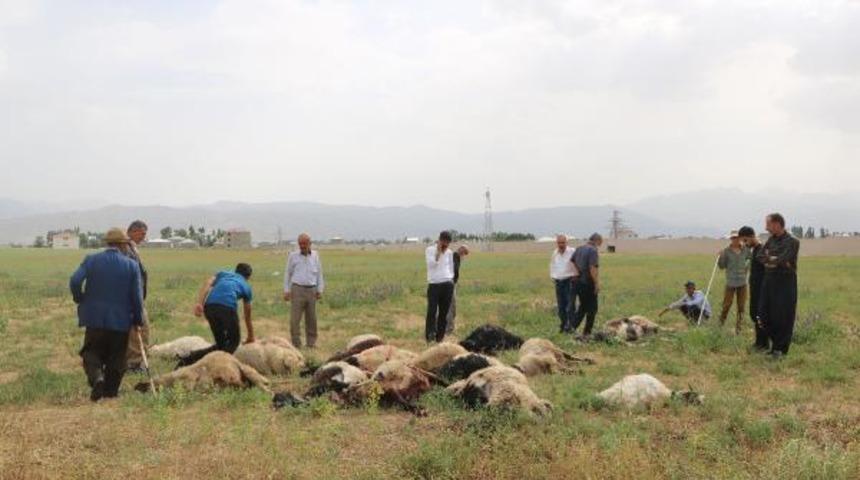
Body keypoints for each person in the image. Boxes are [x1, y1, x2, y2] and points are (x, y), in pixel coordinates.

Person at [69, 228, 144, 401]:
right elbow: (137, 297)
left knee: (91, 352)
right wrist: (138, 320)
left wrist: (79, 298)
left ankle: (97, 378)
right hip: (121, 320)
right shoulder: (131, 265)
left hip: (94, 318)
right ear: (123, 245)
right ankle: (111, 392)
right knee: (117, 357)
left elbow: (74, 280)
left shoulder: (91, 260)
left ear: (108, 243)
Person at [180, 263, 255, 366]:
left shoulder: (223, 274)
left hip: (209, 307)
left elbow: (207, 283)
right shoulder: (246, 286)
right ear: (248, 277)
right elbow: (247, 316)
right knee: (233, 342)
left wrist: (200, 303)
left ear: (235, 271)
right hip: (227, 308)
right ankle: (220, 366)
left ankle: (189, 358)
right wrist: (251, 336)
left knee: (221, 344)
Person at [757, 213, 800, 359]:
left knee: (783, 315)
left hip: (785, 282)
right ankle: (775, 345)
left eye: (768, 224)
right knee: (764, 313)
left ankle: (780, 349)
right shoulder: (771, 240)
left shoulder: (793, 241)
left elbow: (784, 259)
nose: (766, 227)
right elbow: (760, 256)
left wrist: (773, 259)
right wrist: (773, 259)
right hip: (769, 280)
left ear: (777, 224)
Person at [283, 233, 325, 348]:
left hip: (312, 289)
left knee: (311, 318)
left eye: (304, 243)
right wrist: (286, 290)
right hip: (297, 289)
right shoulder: (293, 256)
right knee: (294, 320)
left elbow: (319, 273)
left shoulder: (316, 255)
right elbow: (288, 273)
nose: (302, 246)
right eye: (300, 243)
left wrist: (320, 289)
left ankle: (311, 343)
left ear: (310, 243)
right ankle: (296, 343)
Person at [124, 220, 150, 372]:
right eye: (142, 233)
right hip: (132, 297)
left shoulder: (131, 247)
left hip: (136, 296)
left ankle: (134, 361)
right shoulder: (126, 249)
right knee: (140, 329)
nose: (143, 237)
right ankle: (134, 363)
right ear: (132, 231)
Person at [739, 225, 768, 351]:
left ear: (752, 236)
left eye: (745, 240)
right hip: (755, 289)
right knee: (755, 315)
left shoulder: (761, 250)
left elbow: (767, 271)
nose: (744, 243)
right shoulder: (754, 250)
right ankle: (759, 342)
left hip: (762, 290)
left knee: (760, 316)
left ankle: (763, 344)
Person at [717, 230, 751, 335]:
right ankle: (720, 326)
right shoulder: (726, 251)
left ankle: (738, 329)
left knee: (741, 307)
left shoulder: (746, 250)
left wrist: (747, 267)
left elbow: (750, 259)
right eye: (733, 238)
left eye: (737, 237)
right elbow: (721, 266)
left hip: (742, 283)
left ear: (740, 238)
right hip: (730, 283)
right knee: (726, 305)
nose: (735, 240)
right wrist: (720, 256)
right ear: (731, 239)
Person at [570, 233, 602, 337]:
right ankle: (587, 332)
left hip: (579, 282)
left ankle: (571, 327)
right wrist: (596, 283)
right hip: (588, 282)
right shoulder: (593, 250)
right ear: (597, 240)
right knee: (592, 308)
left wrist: (579, 271)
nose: (600, 245)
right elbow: (593, 268)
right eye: (600, 242)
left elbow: (572, 261)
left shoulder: (579, 248)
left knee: (583, 307)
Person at [425, 231, 455, 343]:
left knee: (444, 313)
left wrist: (450, 279)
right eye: (444, 242)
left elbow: (451, 268)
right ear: (440, 240)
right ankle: (429, 336)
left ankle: (440, 337)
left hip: (447, 284)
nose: (446, 245)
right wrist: (438, 252)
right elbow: (431, 265)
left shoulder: (450, 252)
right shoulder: (429, 250)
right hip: (434, 284)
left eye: (448, 243)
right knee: (431, 311)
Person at [550, 234, 577, 333]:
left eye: (563, 242)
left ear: (567, 242)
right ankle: (563, 325)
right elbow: (552, 265)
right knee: (561, 306)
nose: (561, 244)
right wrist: (552, 276)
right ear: (556, 243)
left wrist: (576, 275)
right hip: (558, 282)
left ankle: (571, 327)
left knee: (570, 306)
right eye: (559, 243)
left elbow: (577, 263)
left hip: (569, 281)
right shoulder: (555, 253)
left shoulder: (572, 251)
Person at [445, 244, 470, 334]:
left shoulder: (455, 256)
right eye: (464, 252)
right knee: (451, 307)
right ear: (461, 249)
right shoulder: (455, 255)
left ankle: (447, 327)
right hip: (450, 284)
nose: (464, 255)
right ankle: (449, 329)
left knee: (450, 307)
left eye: (465, 253)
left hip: (451, 283)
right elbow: (454, 270)